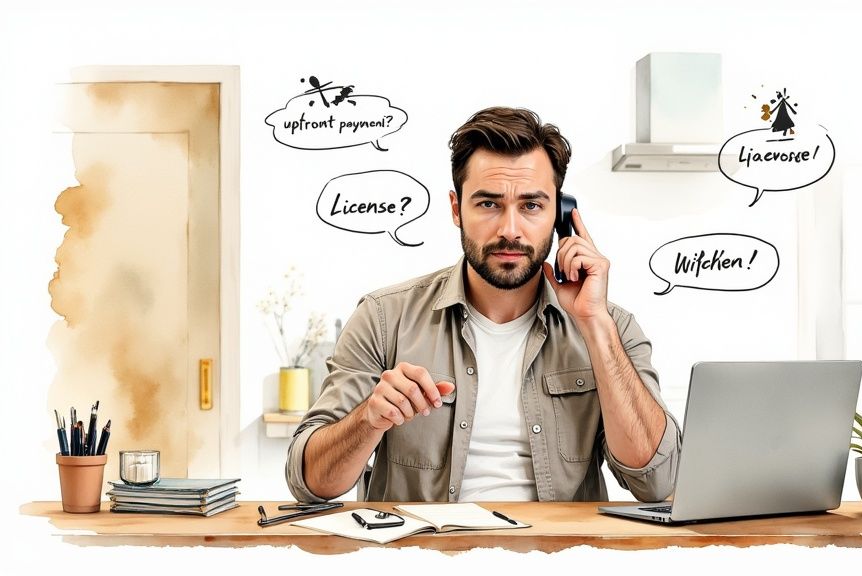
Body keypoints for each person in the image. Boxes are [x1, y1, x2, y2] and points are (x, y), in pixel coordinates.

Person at [286, 106, 681, 503]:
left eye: (531, 205)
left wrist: (595, 324)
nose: (509, 230)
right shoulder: (383, 318)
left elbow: (658, 482)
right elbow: (310, 484)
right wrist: (368, 420)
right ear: (457, 209)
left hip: (557, 559)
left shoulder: (610, 327)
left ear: (560, 215)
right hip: (425, 558)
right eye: (489, 204)